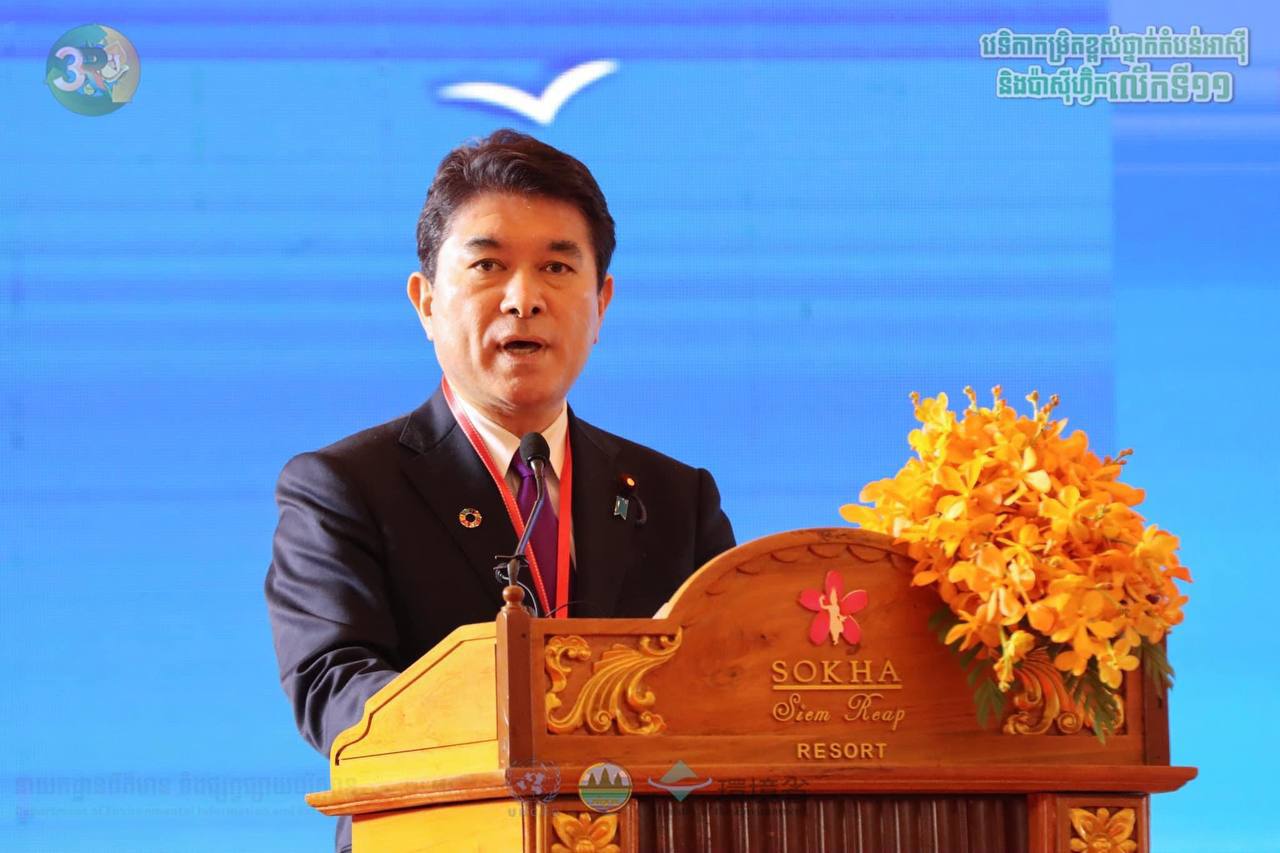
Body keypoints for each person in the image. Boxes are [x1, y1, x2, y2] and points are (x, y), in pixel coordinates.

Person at [264, 129, 736, 853]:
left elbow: (725, 694)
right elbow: (335, 690)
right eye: (488, 265)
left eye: (557, 267)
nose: (524, 298)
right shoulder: (343, 488)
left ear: (601, 303)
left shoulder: (677, 497)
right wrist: (523, 720)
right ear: (426, 302)